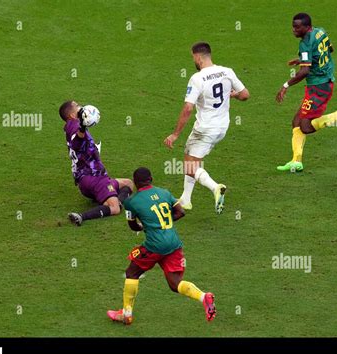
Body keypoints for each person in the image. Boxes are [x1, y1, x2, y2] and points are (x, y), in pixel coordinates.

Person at [107, 167, 216, 325]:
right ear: (151, 179)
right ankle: (203, 297)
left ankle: (126, 314)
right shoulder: (165, 193)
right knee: (175, 283)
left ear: (136, 183)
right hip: (173, 243)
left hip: (154, 246)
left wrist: (145, 227)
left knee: (132, 272)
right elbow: (181, 212)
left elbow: (133, 226)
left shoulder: (131, 202)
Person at [164, 42, 250, 214]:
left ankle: (215, 187)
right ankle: (186, 200)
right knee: (192, 159)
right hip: (222, 128)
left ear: (198, 57)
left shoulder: (197, 78)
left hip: (204, 128)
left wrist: (175, 134)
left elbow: (188, 108)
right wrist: (232, 95)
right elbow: (245, 95)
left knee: (189, 165)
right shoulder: (227, 71)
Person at [275, 13, 337, 172]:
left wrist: (285, 85)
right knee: (296, 121)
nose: (293, 30)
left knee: (306, 127)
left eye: (297, 27)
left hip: (319, 88)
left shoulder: (305, 44)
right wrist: (302, 59)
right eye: (293, 26)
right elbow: (330, 49)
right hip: (323, 83)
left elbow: (304, 72)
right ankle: (296, 161)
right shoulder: (320, 32)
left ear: (307, 27)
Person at [59, 100, 133, 226]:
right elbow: (76, 143)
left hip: (87, 180)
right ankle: (82, 216)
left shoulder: (71, 126)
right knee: (114, 209)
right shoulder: (74, 125)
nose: (81, 107)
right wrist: (82, 127)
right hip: (95, 178)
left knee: (128, 183)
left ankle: (112, 199)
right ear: (72, 115)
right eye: (77, 106)